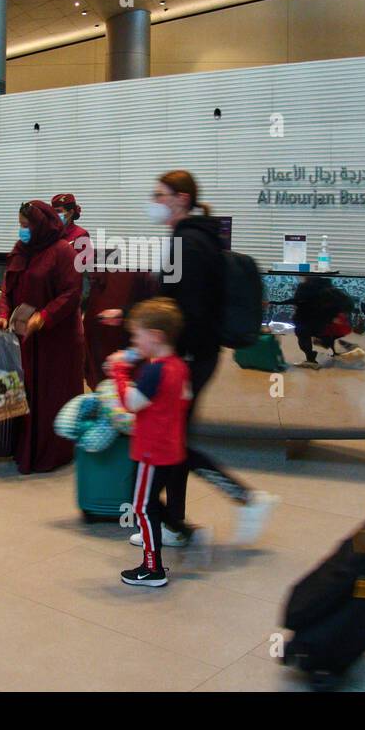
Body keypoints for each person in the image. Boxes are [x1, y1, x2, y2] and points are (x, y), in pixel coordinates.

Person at [115, 170, 278, 547]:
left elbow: (185, 310)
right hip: (192, 354)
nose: (153, 201)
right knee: (174, 441)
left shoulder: (188, 243)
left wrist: (155, 348)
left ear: (181, 199)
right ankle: (172, 523)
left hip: (187, 356)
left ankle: (246, 499)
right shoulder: (194, 238)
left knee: (171, 444)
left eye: (160, 194)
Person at [0, 201, 85, 474]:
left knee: (50, 396)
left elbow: (71, 294)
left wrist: (43, 317)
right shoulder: (20, 250)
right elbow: (9, 286)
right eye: (19, 225)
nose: (22, 231)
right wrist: (4, 315)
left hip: (56, 340)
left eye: (26, 226)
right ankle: (22, 448)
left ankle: (51, 453)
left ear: (40, 225)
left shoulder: (61, 252)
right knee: (25, 393)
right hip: (24, 337)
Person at [108, 298, 192, 587]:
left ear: (155, 337)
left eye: (137, 335)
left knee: (142, 507)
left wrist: (119, 372)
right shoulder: (178, 366)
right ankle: (176, 532)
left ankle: (152, 567)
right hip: (171, 448)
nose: (135, 342)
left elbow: (131, 403)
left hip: (150, 451)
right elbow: (182, 400)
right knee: (151, 503)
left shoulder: (155, 371)